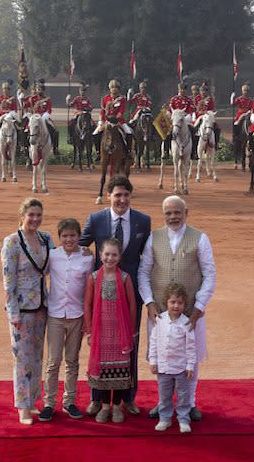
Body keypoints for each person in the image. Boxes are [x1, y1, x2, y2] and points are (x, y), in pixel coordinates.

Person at [138, 195, 216, 423]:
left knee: (189, 357)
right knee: (162, 357)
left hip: (190, 312)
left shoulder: (200, 238)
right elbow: (143, 272)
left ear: (186, 213)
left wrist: (199, 306)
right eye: (168, 213)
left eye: (177, 212)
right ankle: (164, 403)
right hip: (160, 313)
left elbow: (210, 274)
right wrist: (149, 302)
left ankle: (189, 403)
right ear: (163, 215)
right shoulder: (154, 238)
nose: (173, 217)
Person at [80, 175, 151, 416]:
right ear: (109, 195)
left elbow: (147, 257)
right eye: (117, 195)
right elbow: (80, 246)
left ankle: (127, 398)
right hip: (102, 294)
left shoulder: (143, 221)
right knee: (100, 345)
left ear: (131, 196)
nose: (121, 199)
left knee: (129, 344)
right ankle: (97, 399)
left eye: (126, 195)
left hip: (130, 294)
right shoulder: (96, 219)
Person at [1, 198, 54, 425]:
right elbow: (8, 280)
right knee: (22, 359)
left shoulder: (46, 239)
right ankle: (22, 406)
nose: (35, 219)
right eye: (31, 215)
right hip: (21, 310)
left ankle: (34, 401)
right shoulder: (12, 242)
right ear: (22, 215)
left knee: (38, 356)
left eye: (38, 215)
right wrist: (12, 312)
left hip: (42, 307)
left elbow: (55, 265)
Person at [39, 218, 94, 422]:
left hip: (76, 315)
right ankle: (49, 403)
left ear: (79, 237)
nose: (69, 239)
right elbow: (40, 273)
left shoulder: (87, 258)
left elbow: (89, 287)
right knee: (53, 362)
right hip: (55, 315)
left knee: (72, 361)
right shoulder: (52, 256)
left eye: (72, 235)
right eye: (65, 236)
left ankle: (69, 401)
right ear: (59, 238)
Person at [83, 238, 138, 423]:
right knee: (104, 372)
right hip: (101, 333)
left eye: (114, 254)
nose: (110, 258)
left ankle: (116, 407)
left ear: (119, 256)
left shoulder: (125, 278)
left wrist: (131, 332)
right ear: (100, 255)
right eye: (107, 254)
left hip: (120, 334)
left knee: (121, 370)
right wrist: (89, 331)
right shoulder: (93, 278)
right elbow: (88, 304)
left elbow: (132, 306)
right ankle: (105, 406)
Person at [149, 283, 196, 433]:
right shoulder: (160, 320)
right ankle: (165, 418)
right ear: (166, 302)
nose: (176, 305)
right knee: (164, 395)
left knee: (183, 396)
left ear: (184, 304)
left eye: (180, 303)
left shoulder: (186, 323)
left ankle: (183, 419)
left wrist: (190, 365)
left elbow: (190, 346)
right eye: (173, 302)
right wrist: (153, 361)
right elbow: (154, 341)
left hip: (181, 368)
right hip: (163, 367)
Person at [94, 79, 132, 157]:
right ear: (110, 89)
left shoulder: (122, 99)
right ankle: (98, 152)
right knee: (95, 133)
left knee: (129, 132)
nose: (114, 89)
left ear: (118, 89)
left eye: (116, 87)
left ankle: (128, 151)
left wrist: (115, 119)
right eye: (112, 87)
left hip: (118, 121)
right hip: (106, 120)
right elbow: (102, 111)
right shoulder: (105, 98)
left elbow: (121, 112)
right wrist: (101, 120)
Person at [32, 79, 59, 155]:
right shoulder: (33, 99)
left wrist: (43, 117)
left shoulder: (47, 99)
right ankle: (25, 147)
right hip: (35, 118)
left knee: (55, 130)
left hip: (44, 117)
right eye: (37, 89)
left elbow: (49, 110)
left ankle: (55, 148)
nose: (38, 91)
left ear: (43, 90)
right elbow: (30, 108)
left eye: (40, 89)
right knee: (26, 130)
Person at [0, 80, 18, 150]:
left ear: (9, 90)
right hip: (2, 116)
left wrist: (10, 113)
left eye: (6, 89)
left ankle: (18, 144)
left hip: (10, 116)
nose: (5, 90)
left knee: (18, 127)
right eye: (4, 89)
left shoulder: (13, 98)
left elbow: (15, 109)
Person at [194, 81, 218, 147]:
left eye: (204, 91)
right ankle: (195, 144)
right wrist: (200, 112)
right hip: (199, 115)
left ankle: (216, 143)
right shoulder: (197, 98)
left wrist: (208, 113)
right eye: (202, 91)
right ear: (200, 91)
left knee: (217, 127)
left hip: (208, 115)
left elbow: (212, 109)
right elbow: (195, 108)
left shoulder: (210, 99)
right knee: (194, 127)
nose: (203, 92)